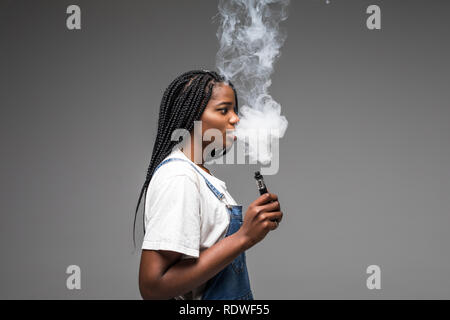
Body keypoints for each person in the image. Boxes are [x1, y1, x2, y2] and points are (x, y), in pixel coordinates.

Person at [135, 70, 283, 300]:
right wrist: (244, 236)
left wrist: (258, 223)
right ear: (191, 117)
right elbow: (153, 287)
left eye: (234, 110)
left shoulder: (200, 174)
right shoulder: (179, 177)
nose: (236, 119)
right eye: (223, 110)